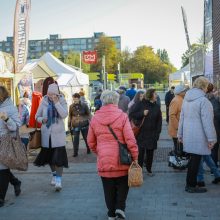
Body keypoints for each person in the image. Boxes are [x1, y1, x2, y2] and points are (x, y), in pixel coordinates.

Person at [87, 90, 138, 220]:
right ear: (116, 101)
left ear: (102, 101)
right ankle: (120, 208)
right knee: (123, 184)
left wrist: (99, 151)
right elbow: (130, 139)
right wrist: (135, 156)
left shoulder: (95, 118)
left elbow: (90, 141)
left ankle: (111, 213)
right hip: (122, 158)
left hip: (104, 159)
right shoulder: (122, 116)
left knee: (108, 188)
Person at [177, 77, 217, 193]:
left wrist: (180, 134)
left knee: (193, 160)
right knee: (195, 161)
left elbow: (182, 119)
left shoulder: (186, 99)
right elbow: (208, 122)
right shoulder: (204, 101)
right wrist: (212, 138)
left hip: (189, 135)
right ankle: (191, 185)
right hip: (199, 136)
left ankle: (191, 184)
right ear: (204, 86)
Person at [34, 83, 68, 191]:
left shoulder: (62, 100)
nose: (50, 96)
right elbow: (36, 116)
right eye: (49, 94)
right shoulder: (43, 101)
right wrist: (41, 120)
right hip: (46, 135)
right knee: (50, 159)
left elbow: (64, 115)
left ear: (57, 94)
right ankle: (54, 175)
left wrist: (56, 103)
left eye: (53, 94)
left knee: (59, 159)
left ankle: (58, 180)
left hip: (58, 135)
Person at [129, 89, 162, 176]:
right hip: (141, 133)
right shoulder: (140, 104)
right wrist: (142, 113)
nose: (157, 95)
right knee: (140, 153)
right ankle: (139, 171)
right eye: (155, 94)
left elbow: (159, 121)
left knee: (150, 153)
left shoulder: (157, 106)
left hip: (152, 134)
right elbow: (132, 114)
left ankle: (149, 170)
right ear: (150, 95)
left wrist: (157, 132)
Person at [0, 86, 22, 207]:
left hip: (5, 141)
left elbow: (16, 126)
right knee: (2, 169)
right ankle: (15, 182)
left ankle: (1, 198)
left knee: (2, 169)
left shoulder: (10, 108)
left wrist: (7, 119)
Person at [68, 93, 91, 157]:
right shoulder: (71, 106)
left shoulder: (84, 105)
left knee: (86, 138)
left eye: (76, 99)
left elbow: (89, 114)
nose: (75, 101)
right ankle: (75, 152)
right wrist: (69, 125)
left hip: (84, 124)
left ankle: (88, 148)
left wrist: (91, 122)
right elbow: (70, 116)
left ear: (79, 98)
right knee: (76, 139)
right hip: (75, 124)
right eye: (74, 99)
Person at [168, 85, 188, 155]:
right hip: (177, 131)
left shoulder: (180, 99)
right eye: (184, 91)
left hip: (179, 130)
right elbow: (172, 115)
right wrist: (178, 127)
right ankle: (178, 164)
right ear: (180, 92)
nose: (186, 92)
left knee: (180, 149)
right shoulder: (176, 100)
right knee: (179, 150)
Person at [206, 83, 220, 167]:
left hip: (211, 128)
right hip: (215, 128)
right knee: (214, 148)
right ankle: (213, 167)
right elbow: (217, 114)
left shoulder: (205, 99)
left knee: (212, 148)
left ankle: (213, 166)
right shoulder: (215, 100)